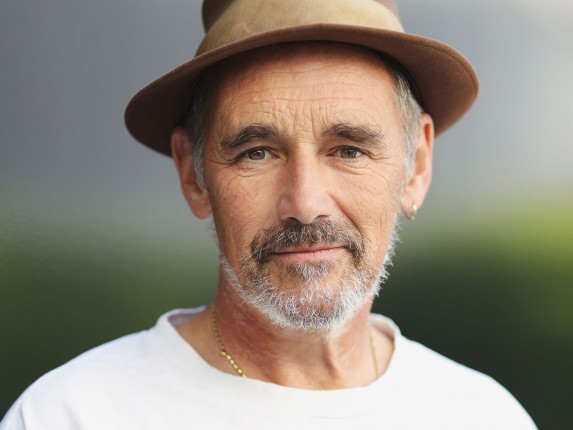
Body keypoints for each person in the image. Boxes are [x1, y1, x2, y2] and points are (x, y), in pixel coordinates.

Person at [1, 0, 536, 428]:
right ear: (193, 174)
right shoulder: (71, 415)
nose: (305, 203)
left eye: (349, 150)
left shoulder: (483, 416)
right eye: (257, 153)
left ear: (416, 165)